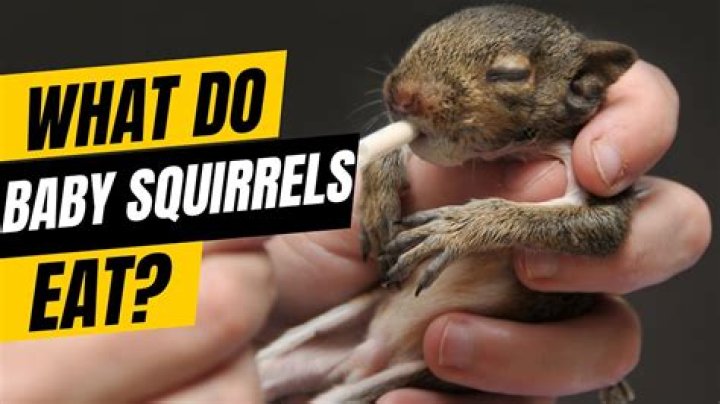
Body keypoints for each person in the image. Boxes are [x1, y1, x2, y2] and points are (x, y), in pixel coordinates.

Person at [0, 61, 711, 403]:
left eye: (503, 74)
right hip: (382, 309)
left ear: (580, 88)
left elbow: (596, 229)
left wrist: (474, 220)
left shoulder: (574, 163)